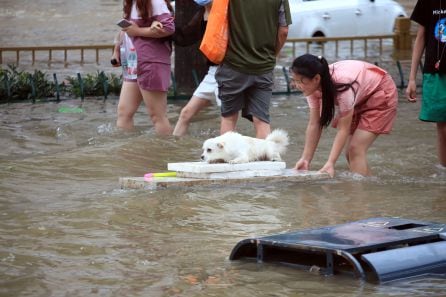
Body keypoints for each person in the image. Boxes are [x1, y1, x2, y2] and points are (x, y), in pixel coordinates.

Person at [290, 54, 398, 177]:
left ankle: (360, 193)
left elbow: (343, 129)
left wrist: (330, 163)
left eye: (300, 81)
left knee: (355, 149)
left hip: (379, 90)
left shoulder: (343, 85)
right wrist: (305, 159)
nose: (296, 86)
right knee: (350, 153)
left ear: (316, 79)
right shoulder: (311, 88)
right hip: (360, 95)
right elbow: (315, 123)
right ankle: (369, 187)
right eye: (294, 80)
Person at [215, 0, 292, 139]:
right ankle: (264, 159)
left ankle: (225, 159)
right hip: (264, 66)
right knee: (261, 120)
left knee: (229, 118)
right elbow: (284, 31)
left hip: (233, 64)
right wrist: (272, 54)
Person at [116, 0, 174, 135]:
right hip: (133, 62)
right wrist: (117, 50)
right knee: (124, 113)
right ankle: (126, 151)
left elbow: (169, 28)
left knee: (157, 116)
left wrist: (138, 31)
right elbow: (126, 30)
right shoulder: (130, 3)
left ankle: (164, 152)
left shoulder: (155, 2)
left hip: (151, 61)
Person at [405, 0, 446, 167]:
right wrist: (412, 78)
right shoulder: (428, 1)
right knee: (442, 128)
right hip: (435, 73)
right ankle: (444, 172)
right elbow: (421, 36)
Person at [173, 0, 222, 136]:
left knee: (228, 118)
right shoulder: (201, 12)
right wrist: (168, 25)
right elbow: (184, 37)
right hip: (212, 72)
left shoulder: (224, 12)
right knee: (185, 114)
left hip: (227, 70)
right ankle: (175, 150)